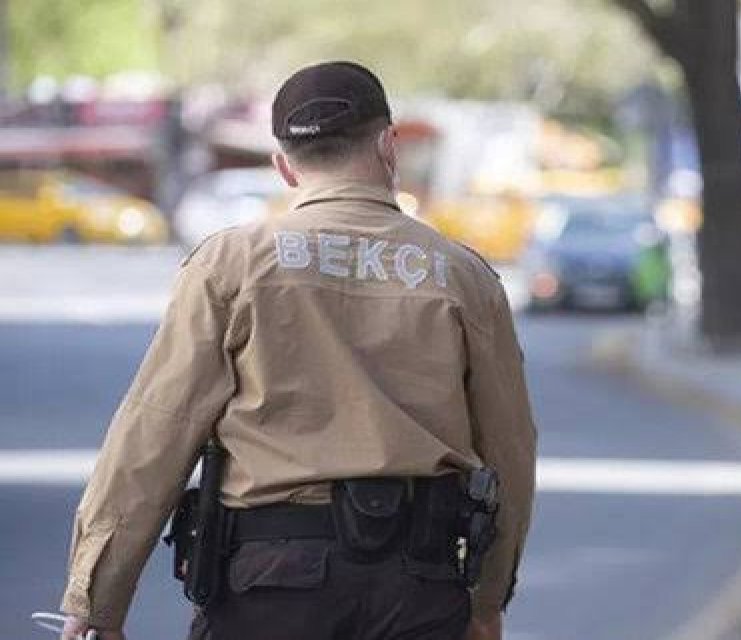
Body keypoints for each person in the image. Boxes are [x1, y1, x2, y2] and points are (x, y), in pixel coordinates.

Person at [59, 61, 536, 640]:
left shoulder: (230, 266)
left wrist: (97, 604)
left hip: (269, 583)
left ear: (285, 166)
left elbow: (155, 433)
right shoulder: (464, 276)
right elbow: (508, 449)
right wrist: (486, 602)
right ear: (389, 146)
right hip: (418, 586)